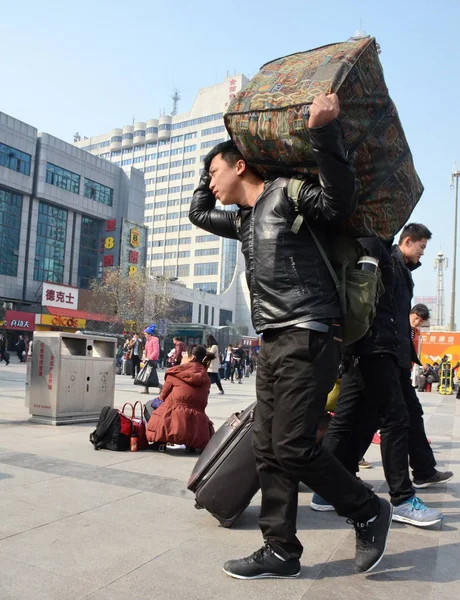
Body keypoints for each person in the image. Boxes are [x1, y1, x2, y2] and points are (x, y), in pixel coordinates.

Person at [189, 92, 392, 579]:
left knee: (294, 446)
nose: (210, 185)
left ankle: (366, 509)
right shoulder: (241, 222)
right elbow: (197, 213)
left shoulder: (287, 193)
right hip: (274, 340)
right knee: (266, 447)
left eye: (214, 173)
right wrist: (203, 165)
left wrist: (324, 132)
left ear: (239, 166)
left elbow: (339, 199)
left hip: (310, 333)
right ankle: (280, 549)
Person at [315, 237, 443, 527]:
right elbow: (367, 304)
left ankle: (329, 487)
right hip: (374, 349)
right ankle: (401, 498)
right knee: (395, 420)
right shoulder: (375, 248)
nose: (422, 251)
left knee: (355, 419)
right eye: (420, 245)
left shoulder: (380, 251)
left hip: (375, 350)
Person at [392, 224, 453, 488]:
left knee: (411, 414)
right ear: (408, 241)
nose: (423, 253)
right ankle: (330, 487)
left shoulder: (400, 267)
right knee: (359, 420)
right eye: (422, 247)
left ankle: (424, 471)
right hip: (382, 356)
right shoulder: (389, 265)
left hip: (394, 359)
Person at [145, 344, 215, 450]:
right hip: (197, 424)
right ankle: (190, 445)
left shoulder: (175, 373)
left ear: (192, 357)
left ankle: (160, 441)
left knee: (150, 405)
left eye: (185, 353)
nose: (183, 355)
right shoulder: (206, 378)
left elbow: (162, 397)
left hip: (173, 421)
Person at [141, 324, 162, 395]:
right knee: (146, 374)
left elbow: (156, 351)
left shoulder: (154, 340)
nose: (145, 335)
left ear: (150, 334)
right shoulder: (148, 341)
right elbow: (146, 351)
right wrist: (144, 359)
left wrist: (150, 358)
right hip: (147, 360)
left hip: (152, 360)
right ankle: (146, 389)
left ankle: (161, 387)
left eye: (146, 334)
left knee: (151, 375)